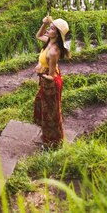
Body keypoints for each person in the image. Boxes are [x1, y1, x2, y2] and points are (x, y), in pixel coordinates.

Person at [34, 15, 70, 148]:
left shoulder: (54, 51)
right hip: (47, 82)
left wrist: (40, 72)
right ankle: (51, 139)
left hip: (52, 83)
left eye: (52, 28)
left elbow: (51, 76)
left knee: (51, 115)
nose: (49, 30)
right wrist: (44, 23)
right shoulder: (49, 42)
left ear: (57, 34)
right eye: (49, 28)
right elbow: (38, 36)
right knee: (41, 106)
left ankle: (52, 143)